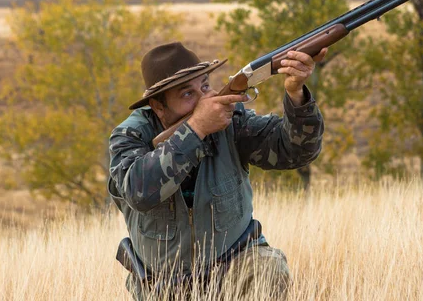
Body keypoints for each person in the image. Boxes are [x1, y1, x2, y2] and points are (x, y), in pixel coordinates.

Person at [108, 42, 326, 299]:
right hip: (163, 284)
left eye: (205, 86)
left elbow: (296, 151)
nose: (205, 100)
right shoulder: (130, 135)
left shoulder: (230, 121)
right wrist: (196, 129)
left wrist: (296, 94)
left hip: (234, 267)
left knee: (268, 269)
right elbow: (138, 192)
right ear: (158, 106)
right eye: (187, 94)